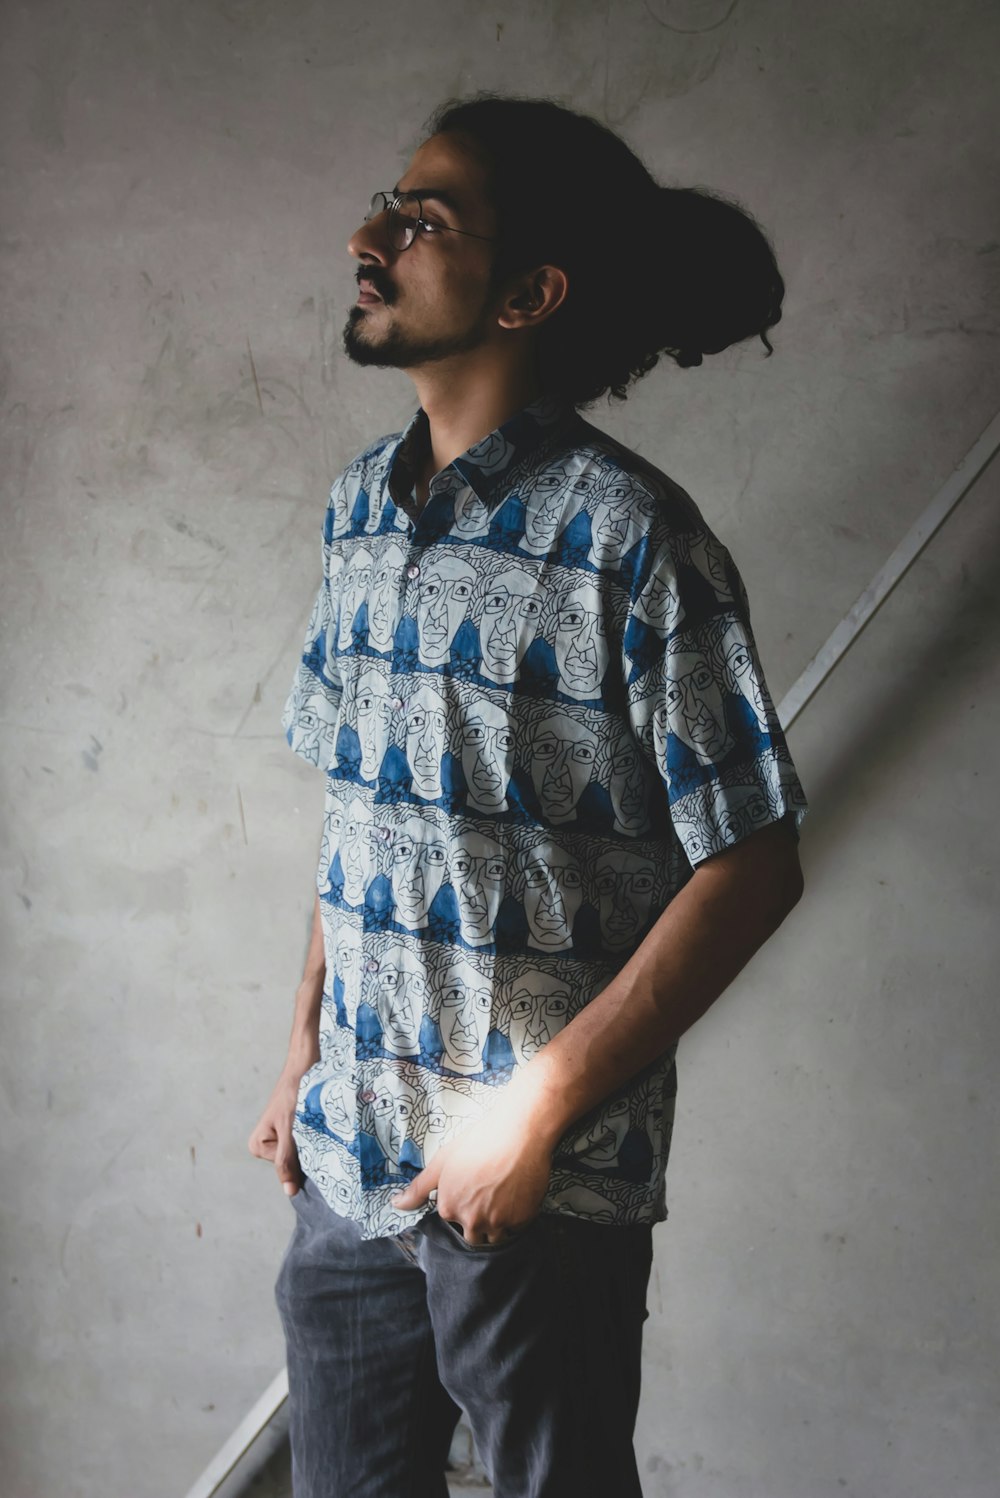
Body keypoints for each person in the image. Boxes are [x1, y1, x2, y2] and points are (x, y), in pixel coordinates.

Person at [248, 93, 808, 1498]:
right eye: (388, 202)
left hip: (535, 1199)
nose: (369, 236)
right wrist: (304, 1040)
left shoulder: (633, 537)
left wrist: (535, 1112)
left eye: (423, 220)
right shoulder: (358, 509)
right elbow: (359, 804)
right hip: (349, 1168)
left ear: (530, 293)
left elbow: (751, 864)